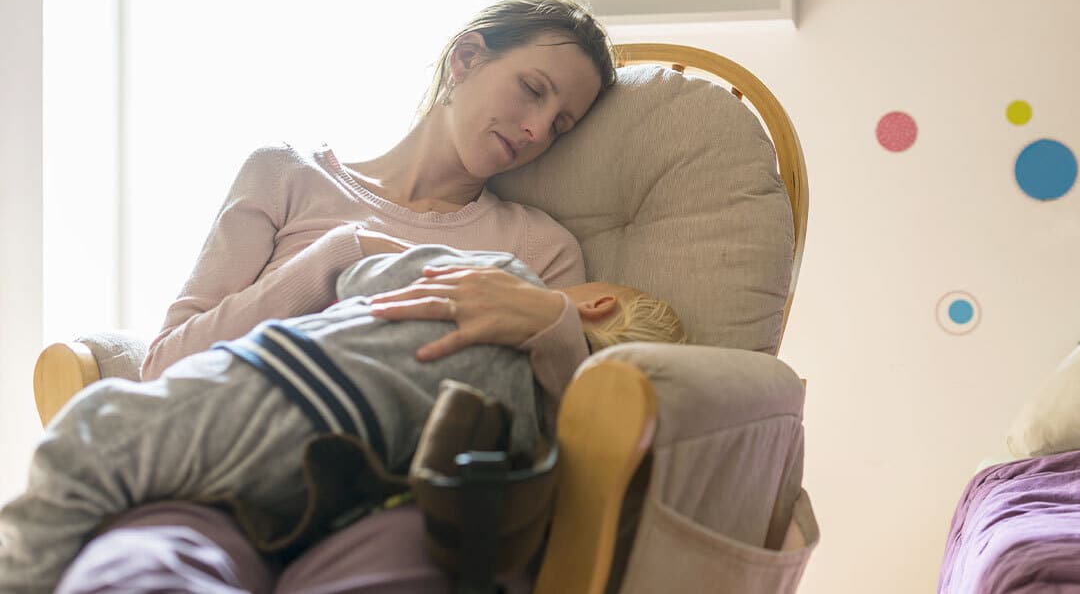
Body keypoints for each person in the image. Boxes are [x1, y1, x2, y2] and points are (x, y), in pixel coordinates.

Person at [48, 0, 624, 592]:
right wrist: (340, 255)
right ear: (466, 59)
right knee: (139, 570)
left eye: (561, 124)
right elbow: (165, 367)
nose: (536, 129)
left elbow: (565, 436)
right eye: (532, 89)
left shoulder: (537, 248)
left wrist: (551, 322)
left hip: (394, 501)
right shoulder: (286, 175)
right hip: (218, 481)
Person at [0, 244, 687, 593]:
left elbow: (362, 279)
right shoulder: (538, 424)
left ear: (591, 304)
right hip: (334, 477)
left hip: (278, 383)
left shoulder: (502, 270)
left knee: (90, 445)